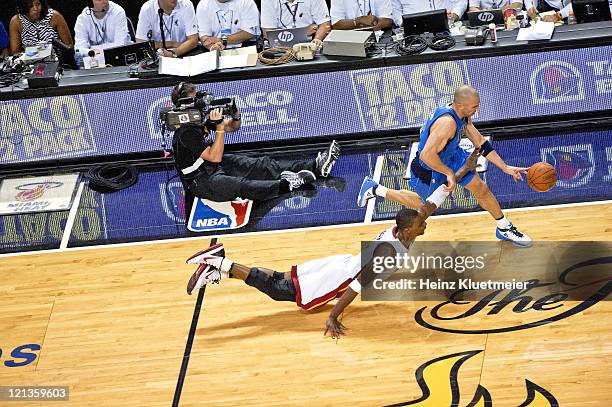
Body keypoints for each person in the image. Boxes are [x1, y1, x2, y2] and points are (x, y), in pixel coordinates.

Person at [184, 148, 482, 339]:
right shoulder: (390, 253)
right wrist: (333, 316)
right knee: (279, 291)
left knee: (278, 278)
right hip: (338, 277)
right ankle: (219, 264)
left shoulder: (403, 230)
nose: (424, 223)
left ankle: (220, 268)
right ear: (406, 230)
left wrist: (466, 167)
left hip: (340, 262)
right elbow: (355, 287)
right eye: (420, 224)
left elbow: (437, 198)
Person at [397, 85, 531, 247]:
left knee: (480, 188)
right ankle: (378, 191)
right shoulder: (447, 123)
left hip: (452, 156)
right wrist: (448, 173)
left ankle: (504, 228)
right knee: (422, 210)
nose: (477, 109)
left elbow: (480, 142)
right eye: (474, 106)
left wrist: (505, 167)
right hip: (431, 167)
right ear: (460, 105)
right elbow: (427, 155)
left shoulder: (462, 114)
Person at [171, 82, 341, 204]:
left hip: (212, 166)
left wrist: (235, 114)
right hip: (200, 182)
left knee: (260, 164)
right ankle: (287, 184)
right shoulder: (186, 131)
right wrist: (220, 127)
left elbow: (233, 127)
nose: (201, 100)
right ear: (187, 105)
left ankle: (315, 166)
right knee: (242, 185)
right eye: (196, 97)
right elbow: (214, 156)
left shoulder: (200, 120)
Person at [9, 0, 73, 55]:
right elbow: (15, 53)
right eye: (31, 6)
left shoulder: (54, 16)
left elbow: (69, 46)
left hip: (57, 62)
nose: (36, 8)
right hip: (30, 64)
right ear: (23, 7)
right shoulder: (16, 21)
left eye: (38, 4)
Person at [260, 0, 332, 48]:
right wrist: (303, 32)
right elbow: (268, 33)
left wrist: (317, 40)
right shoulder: (268, 1)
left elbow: (325, 25)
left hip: (310, 43)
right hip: (281, 47)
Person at [391, 0, 467, 26]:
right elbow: (395, 11)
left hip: (447, 26)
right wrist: (403, 23)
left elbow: (460, 1)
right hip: (412, 31)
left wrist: (455, 14)